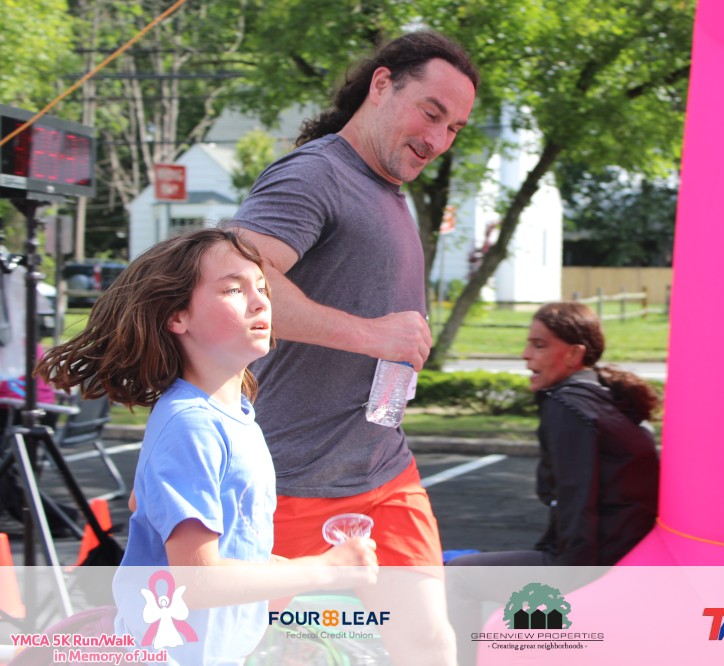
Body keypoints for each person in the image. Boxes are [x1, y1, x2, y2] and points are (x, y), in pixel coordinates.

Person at [225, 30, 478, 666]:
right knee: (256, 649)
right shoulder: (315, 173)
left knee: (427, 642)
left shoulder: (388, 186)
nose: (439, 139)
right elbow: (232, 284)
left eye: (454, 128)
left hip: (384, 469)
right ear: (382, 84)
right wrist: (371, 335)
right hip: (293, 478)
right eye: (431, 113)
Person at [34, 229, 377, 665]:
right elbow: (194, 581)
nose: (260, 302)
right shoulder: (192, 424)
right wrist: (322, 569)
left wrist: (280, 572)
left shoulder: (234, 415)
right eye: (233, 289)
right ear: (177, 316)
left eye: (262, 287)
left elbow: (147, 505)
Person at [445, 302, 660, 664]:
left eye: (539, 345)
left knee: (456, 576)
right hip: (627, 555)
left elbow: (578, 500)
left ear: (574, 354)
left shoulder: (568, 406)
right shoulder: (608, 399)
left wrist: (568, 584)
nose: (525, 354)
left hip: (595, 562)